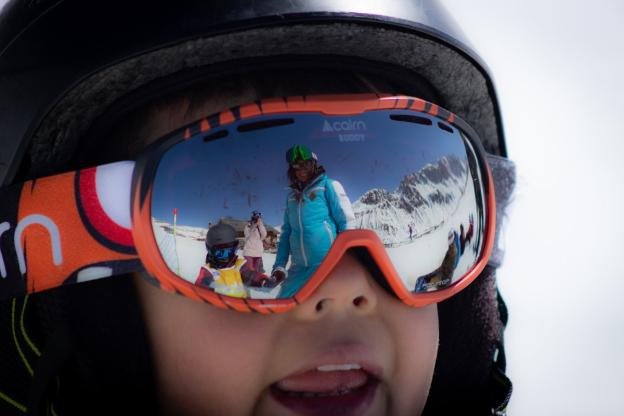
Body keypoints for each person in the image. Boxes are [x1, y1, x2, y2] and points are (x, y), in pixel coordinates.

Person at [0, 1, 517, 415]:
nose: (345, 288)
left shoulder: (328, 196)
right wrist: (269, 271)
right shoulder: (293, 207)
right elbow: (290, 242)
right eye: (223, 171)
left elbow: (339, 226)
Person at [271, 145, 355, 298]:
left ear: (314, 164)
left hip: (328, 264)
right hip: (298, 269)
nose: (301, 170)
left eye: (306, 164)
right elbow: (286, 234)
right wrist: (279, 266)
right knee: (284, 309)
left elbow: (345, 222)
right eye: (297, 166)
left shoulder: (327, 185)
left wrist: (347, 262)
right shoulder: (291, 197)